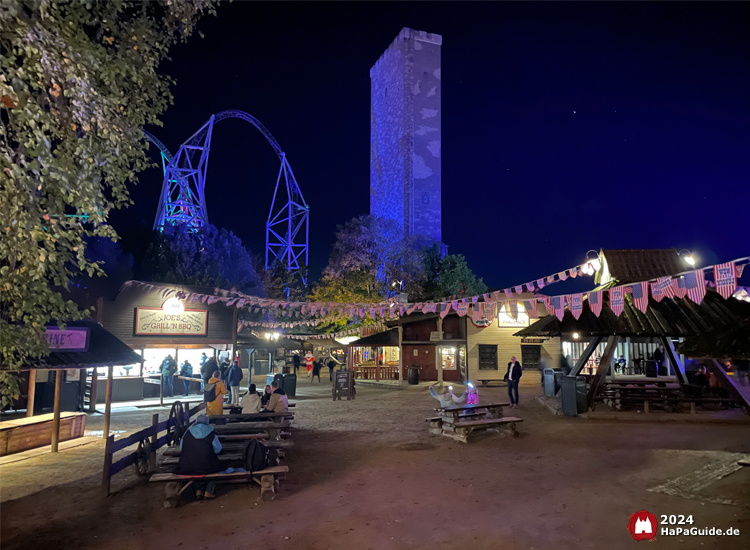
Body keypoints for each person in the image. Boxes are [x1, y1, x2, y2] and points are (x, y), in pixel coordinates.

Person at [175, 415, 223, 500]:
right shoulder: (211, 432)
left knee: (192, 470)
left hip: (186, 466)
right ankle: (208, 491)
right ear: (207, 423)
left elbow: (181, 448)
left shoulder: (188, 432)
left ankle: (197, 490)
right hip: (207, 465)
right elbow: (217, 450)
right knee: (217, 468)